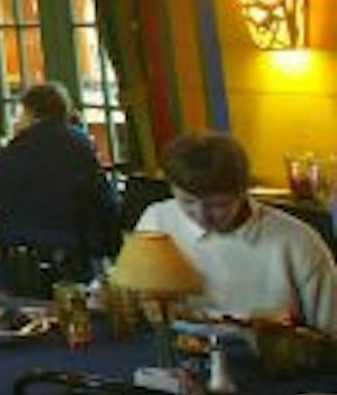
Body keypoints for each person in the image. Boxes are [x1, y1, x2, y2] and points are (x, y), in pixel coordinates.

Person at [134, 131, 337, 331]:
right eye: (187, 202)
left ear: (243, 191)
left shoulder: (298, 242)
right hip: (178, 344)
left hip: (271, 351)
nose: (201, 216)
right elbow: (135, 298)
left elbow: (330, 332)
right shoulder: (157, 220)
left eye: (218, 205)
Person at [0, 81, 119, 276]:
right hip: (81, 246)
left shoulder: (25, 146)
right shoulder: (80, 141)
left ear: (31, 113)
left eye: (22, 113)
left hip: (32, 249)